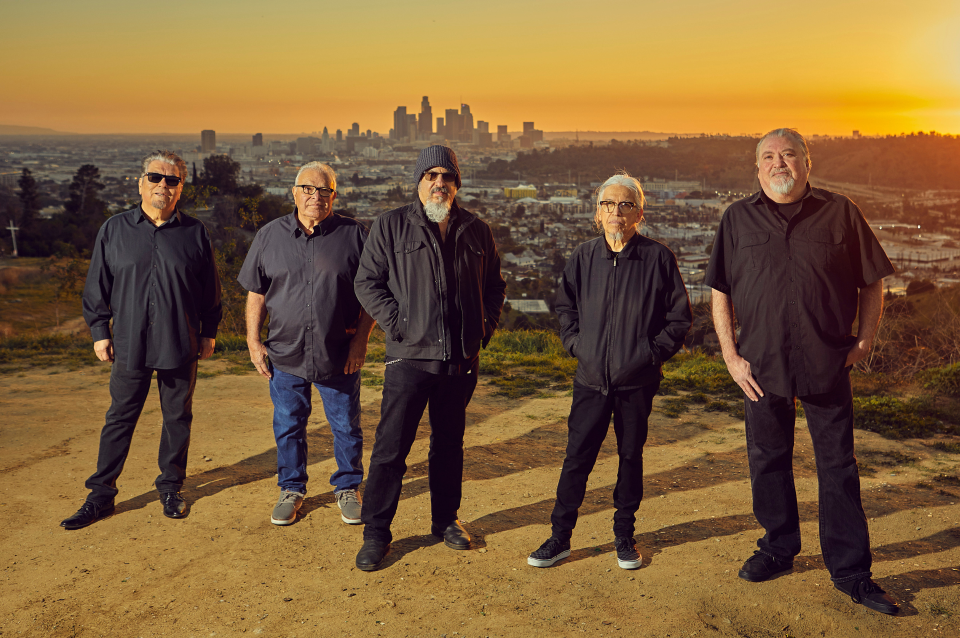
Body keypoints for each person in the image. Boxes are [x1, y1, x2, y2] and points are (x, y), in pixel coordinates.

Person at [705, 128, 898, 614]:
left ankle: (851, 571)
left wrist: (866, 338)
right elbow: (720, 290)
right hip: (760, 367)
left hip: (825, 362)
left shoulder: (841, 213)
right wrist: (730, 356)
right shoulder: (737, 219)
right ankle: (777, 548)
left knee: (837, 468)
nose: (779, 164)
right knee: (767, 460)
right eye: (769, 156)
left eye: (789, 154)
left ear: (807, 162)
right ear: (757, 168)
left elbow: (872, 283)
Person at [527, 172, 691, 570]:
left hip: (636, 383)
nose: (616, 212)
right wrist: (577, 346)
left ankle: (624, 536)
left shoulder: (658, 258)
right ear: (596, 214)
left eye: (625, 205)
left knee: (629, 457)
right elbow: (564, 307)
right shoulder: (583, 256)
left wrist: (650, 355)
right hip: (589, 381)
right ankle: (560, 537)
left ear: (639, 213)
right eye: (607, 205)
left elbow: (679, 318)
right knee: (576, 459)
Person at [353, 145, 506, 571]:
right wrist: (397, 325)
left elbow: (495, 286)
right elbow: (367, 283)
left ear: (457, 183)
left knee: (448, 446)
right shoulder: (390, 226)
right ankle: (376, 533)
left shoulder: (477, 230)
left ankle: (446, 521)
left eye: (448, 177)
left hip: (459, 361)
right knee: (390, 449)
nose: (440, 183)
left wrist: (483, 329)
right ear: (419, 181)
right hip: (409, 359)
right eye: (432, 176)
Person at [61, 150, 222, 529]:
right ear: (141, 183)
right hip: (129, 342)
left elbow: (209, 291)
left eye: (172, 180)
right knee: (119, 418)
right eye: (156, 178)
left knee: (177, 418)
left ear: (181, 188)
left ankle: (170, 488)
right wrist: (100, 332)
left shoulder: (195, 233)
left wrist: (210, 332)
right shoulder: (114, 229)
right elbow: (97, 286)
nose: (163, 186)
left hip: (180, 340)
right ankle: (101, 495)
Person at [238, 161, 374, 526]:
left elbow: (371, 295)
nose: (317, 196)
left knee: (345, 425)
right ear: (294, 192)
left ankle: (348, 487)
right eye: (309, 189)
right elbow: (256, 293)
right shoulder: (269, 236)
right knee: (288, 424)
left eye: (325, 190)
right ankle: (291, 488)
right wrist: (253, 342)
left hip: (338, 354)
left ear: (335, 195)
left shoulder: (355, 235)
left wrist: (361, 342)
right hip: (284, 353)